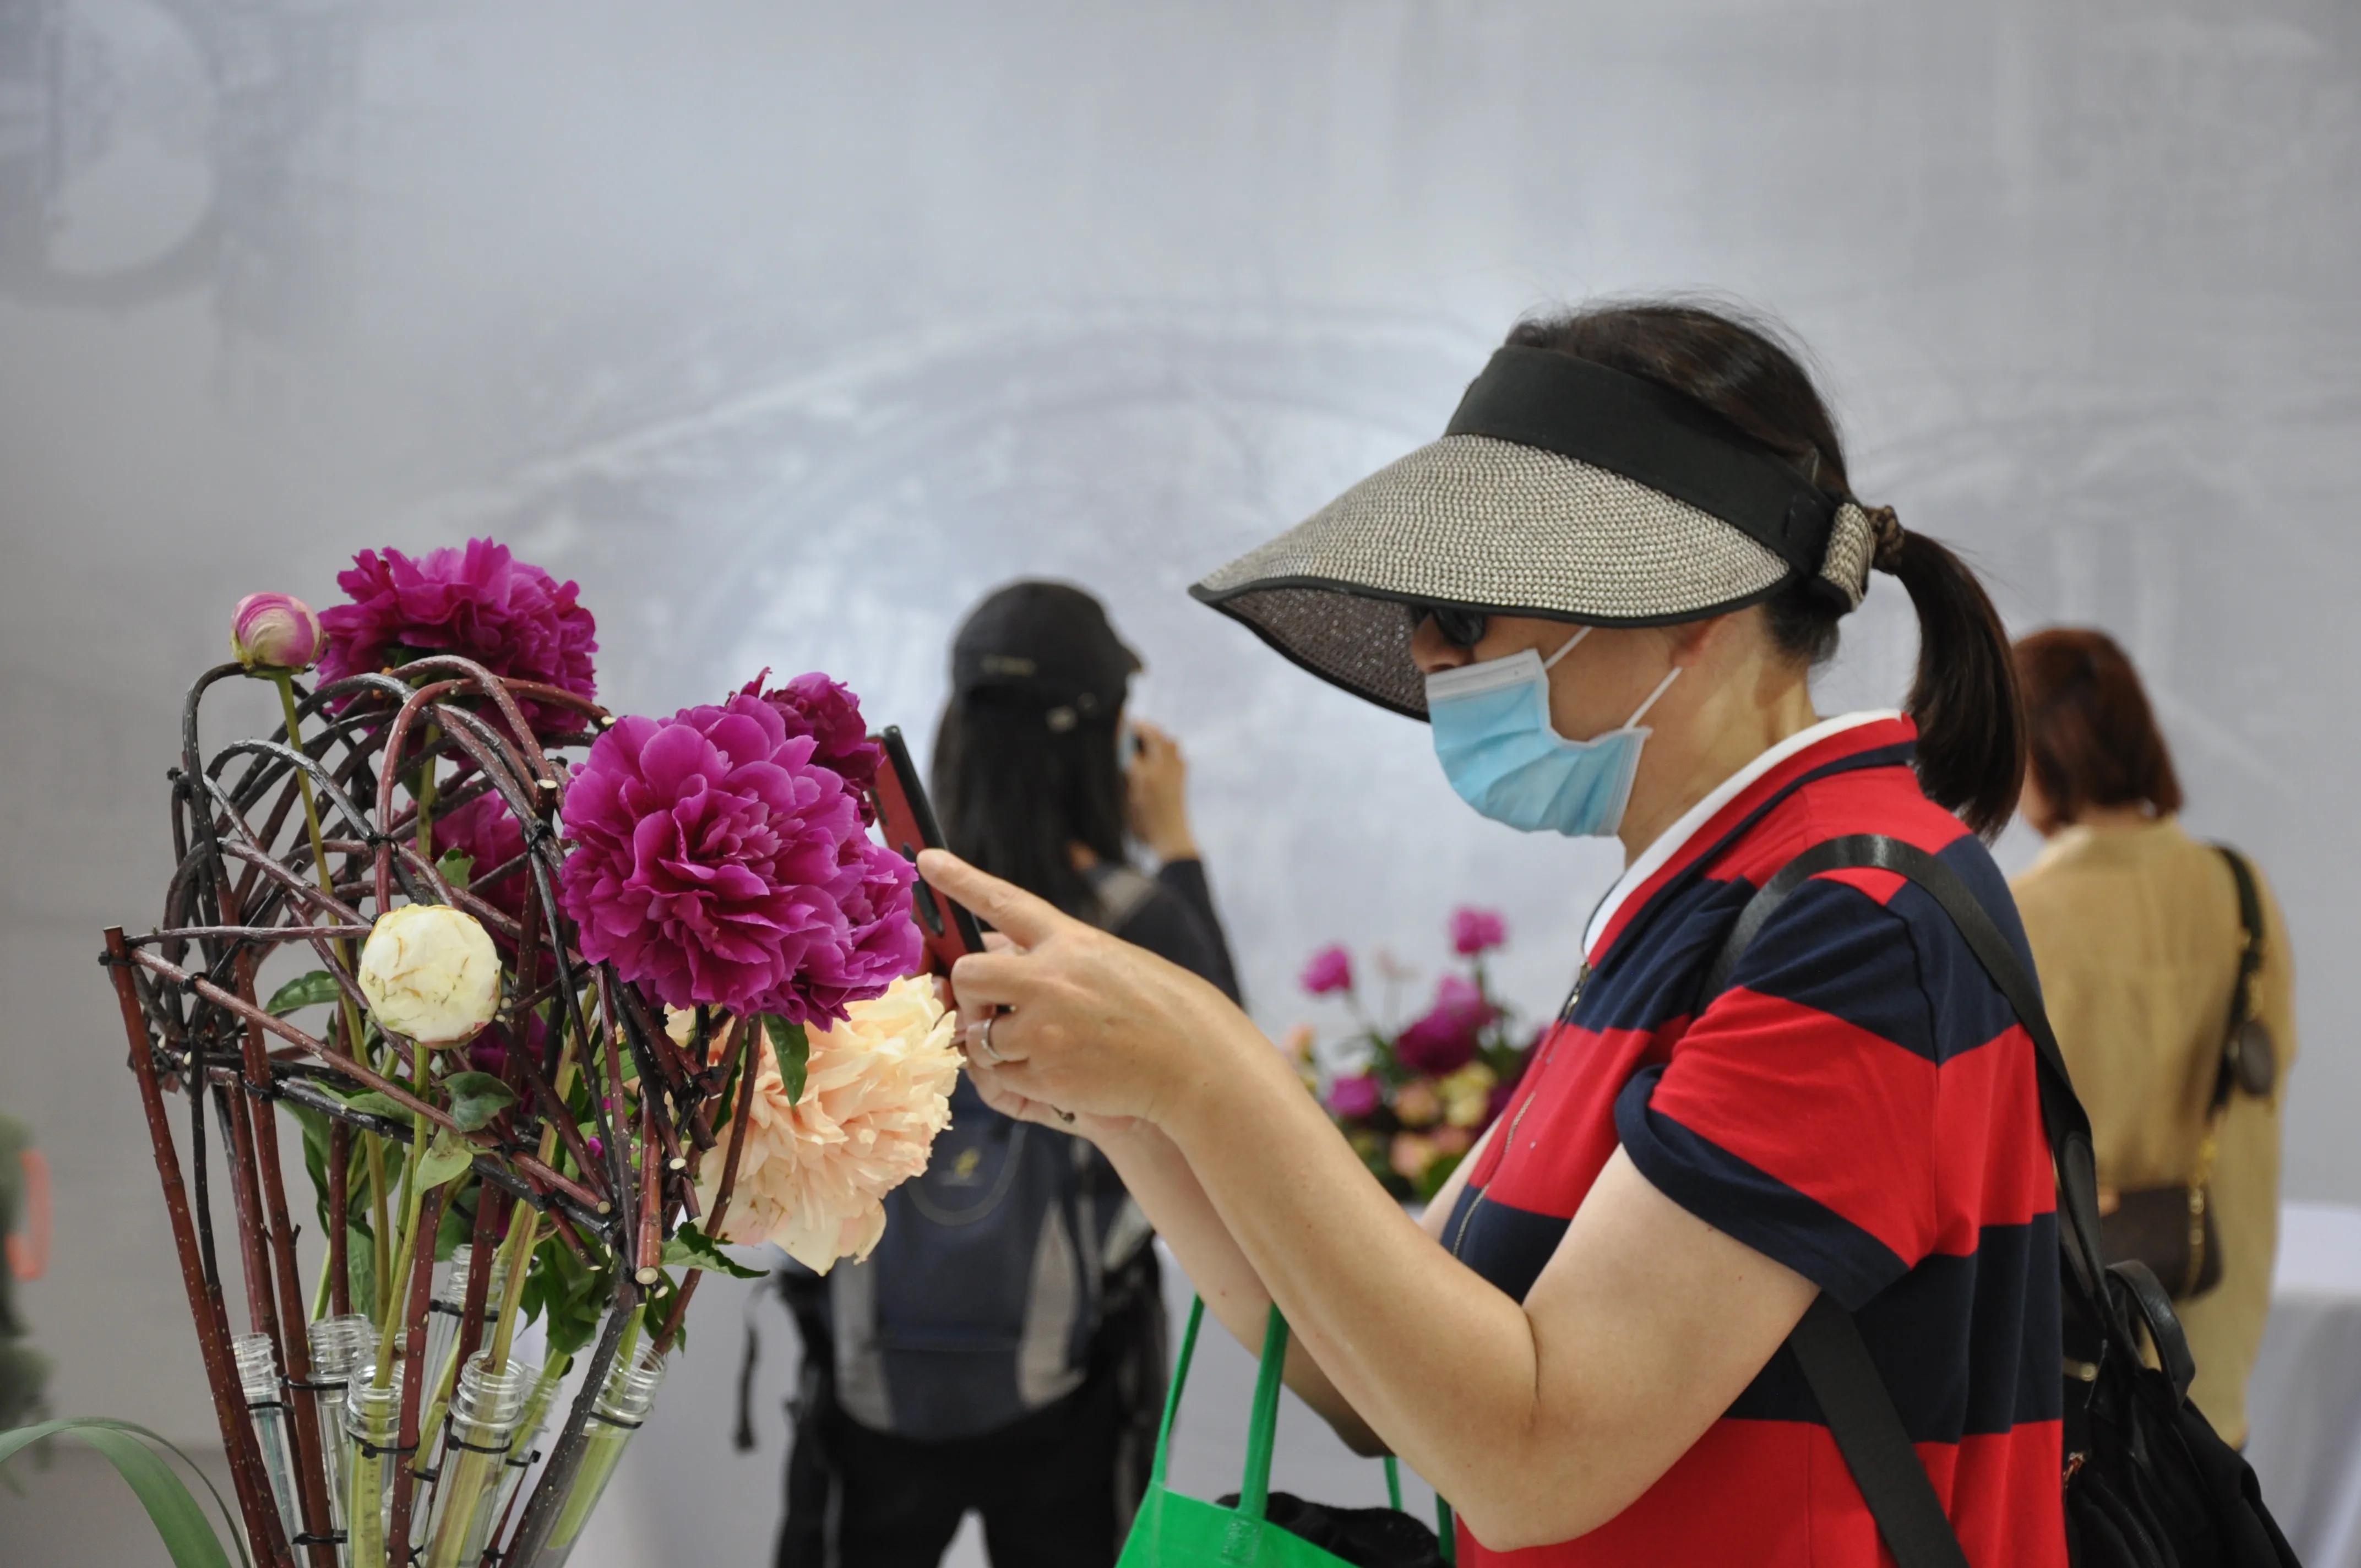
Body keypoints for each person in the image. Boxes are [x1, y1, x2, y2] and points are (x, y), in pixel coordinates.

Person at [920, 301, 2069, 1565]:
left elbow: (1533, 1455)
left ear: (1695, 600)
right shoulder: (1704, 902)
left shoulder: (1856, 920)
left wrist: (1209, 1064)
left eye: (1463, 612)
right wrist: (1125, 1098)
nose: (1421, 650)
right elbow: (1364, 1372)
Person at [775, 580, 1240, 1568]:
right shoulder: (1133, 925)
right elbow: (1238, 1097)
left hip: (867, 1376)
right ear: (1102, 740)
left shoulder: (857, 908)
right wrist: (1181, 850)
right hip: (1070, 1386)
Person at [2009, 626, 2295, 1448]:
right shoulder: (2241, 891)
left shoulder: (2017, 917)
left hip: (2080, 1319)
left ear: (2042, 753)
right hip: (2214, 1305)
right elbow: (2266, 1082)